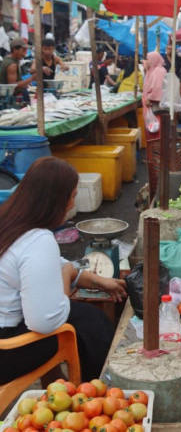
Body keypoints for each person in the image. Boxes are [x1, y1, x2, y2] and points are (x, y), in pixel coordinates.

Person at [0, 157, 127, 384]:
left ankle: (58, 386)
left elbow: (50, 265)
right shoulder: (38, 240)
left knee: (85, 316)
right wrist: (67, 275)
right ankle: (96, 390)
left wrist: (96, 280)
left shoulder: (9, 221)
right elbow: (46, 322)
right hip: (6, 351)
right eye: (72, 196)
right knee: (90, 324)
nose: (72, 205)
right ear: (56, 201)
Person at [142, 51, 167, 142]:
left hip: (156, 108)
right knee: (152, 130)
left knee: (156, 131)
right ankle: (153, 153)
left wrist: (150, 98)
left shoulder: (159, 71)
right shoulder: (153, 70)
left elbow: (157, 88)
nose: (146, 62)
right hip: (152, 108)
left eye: (148, 60)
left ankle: (157, 153)